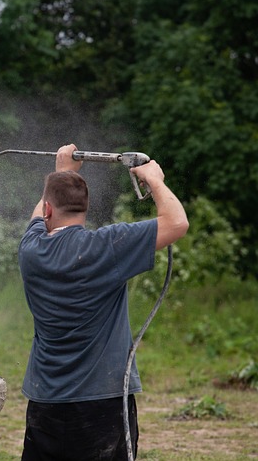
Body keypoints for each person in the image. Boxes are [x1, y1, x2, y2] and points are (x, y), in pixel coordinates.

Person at [18, 144, 189, 460]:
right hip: (102, 405)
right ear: (85, 208)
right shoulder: (107, 247)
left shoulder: (30, 250)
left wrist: (63, 172)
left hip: (46, 404)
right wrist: (155, 180)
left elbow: (38, 215)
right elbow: (177, 223)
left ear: (48, 211)